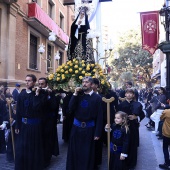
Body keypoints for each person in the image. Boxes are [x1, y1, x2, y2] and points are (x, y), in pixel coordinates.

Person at [66, 76, 103, 170]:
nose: (84, 84)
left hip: (89, 129)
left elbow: (100, 116)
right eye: (83, 82)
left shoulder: (97, 98)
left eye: (86, 82)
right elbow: (70, 108)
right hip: (76, 128)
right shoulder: (78, 95)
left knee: (86, 152)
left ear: (91, 84)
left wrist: (97, 133)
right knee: (75, 151)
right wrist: (74, 94)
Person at [15, 74, 48, 170]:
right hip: (24, 126)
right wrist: (17, 125)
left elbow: (36, 107)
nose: (27, 82)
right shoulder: (22, 94)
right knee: (22, 148)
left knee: (34, 149)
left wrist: (37, 95)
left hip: (35, 127)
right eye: (26, 80)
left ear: (34, 82)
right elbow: (19, 112)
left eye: (29, 81)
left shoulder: (41, 94)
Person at [118, 88, 145, 170]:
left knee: (133, 145)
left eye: (131, 93)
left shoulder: (137, 104)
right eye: (127, 93)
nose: (129, 94)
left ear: (133, 95)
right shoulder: (121, 105)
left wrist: (136, 117)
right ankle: (124, 162)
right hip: (123, 128)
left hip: (133, 127)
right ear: (125, 94)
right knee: (124, 144)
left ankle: (132, 164)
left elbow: (142, 115)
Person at [38, 77, 60, 168]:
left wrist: (49, 95)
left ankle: (47, 159)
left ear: (46, 84)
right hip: (39, 121)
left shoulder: (52, 93)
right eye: (39, 84)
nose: (40, 86)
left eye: (42, 84)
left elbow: (54, 106)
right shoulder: (37, 93)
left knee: (48, 140)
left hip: (49, 122)